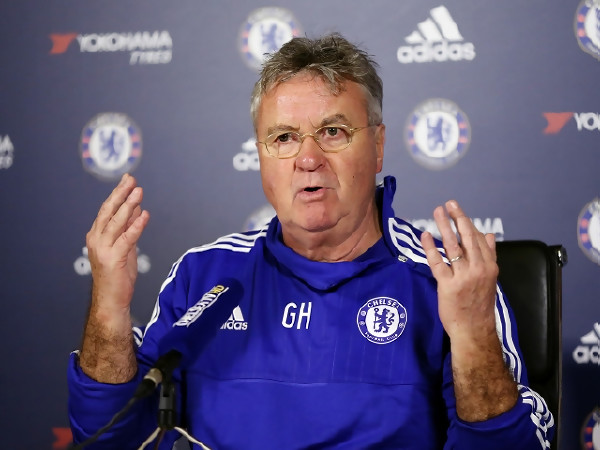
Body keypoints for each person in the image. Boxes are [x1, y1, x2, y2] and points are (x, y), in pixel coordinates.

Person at [68, 33, 555, 449]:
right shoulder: (205, 275)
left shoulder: (443, 280)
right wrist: (109, 306)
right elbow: (112, 438)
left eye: (333, 132)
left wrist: (472, 338)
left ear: (379, 145)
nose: (307, 159)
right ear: (260, 155)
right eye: (283, 138)